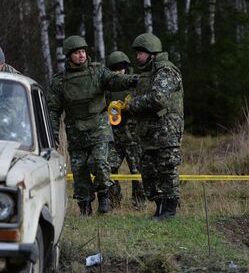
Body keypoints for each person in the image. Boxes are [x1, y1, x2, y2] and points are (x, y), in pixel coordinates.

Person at [47, 35, 138, 216]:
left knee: (100, 162)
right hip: (76, 130)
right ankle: (85, 206)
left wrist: (131, 80)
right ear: (69, 56)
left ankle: (104, 196)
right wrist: (53, 132)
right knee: (80, 170)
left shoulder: (98, 72)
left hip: (99, 126)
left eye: (83, 51)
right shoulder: (59, 81)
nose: (81, 55)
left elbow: (114, 80)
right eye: (76, 53)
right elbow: (53, 109)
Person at [123, 33, 184, 220]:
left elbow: (158, 98)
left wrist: (131, 105)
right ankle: (159, 208)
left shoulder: (166, 71)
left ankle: (170, 211)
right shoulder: (146, 74)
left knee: (167, 168)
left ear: (152, 53)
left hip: (166, 131)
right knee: (149, 171)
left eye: (140, 53)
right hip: (148, 132)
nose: (137, 57)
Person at [105, 51, 146, 209]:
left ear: (126, 68)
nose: (118, 71)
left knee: (136, 170)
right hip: (113, 135)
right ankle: (114, 201)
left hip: (133, 135)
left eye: (121, 68)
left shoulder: (135, 83)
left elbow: (145, 103)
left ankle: (139, 202)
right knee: (110, 167)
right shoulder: (107, 87)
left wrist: (130, 105)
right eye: (115, 68)